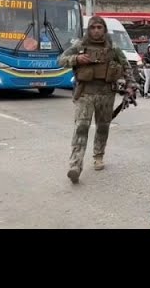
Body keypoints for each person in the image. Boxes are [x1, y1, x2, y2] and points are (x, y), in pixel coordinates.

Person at [58, 16, 136, 184]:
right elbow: (60, 60)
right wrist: (76, 59)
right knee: (81, 126)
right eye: (93, 28)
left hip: (106, 93)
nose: (96, 31)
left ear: (104, 29)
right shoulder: (80, 46)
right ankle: (75, 165)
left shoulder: (113, 48)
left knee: (103, 126)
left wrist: (130, 85)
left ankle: (98, 156)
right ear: (89, 30)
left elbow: (126, 67)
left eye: (99, 27)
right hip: (85, 93)